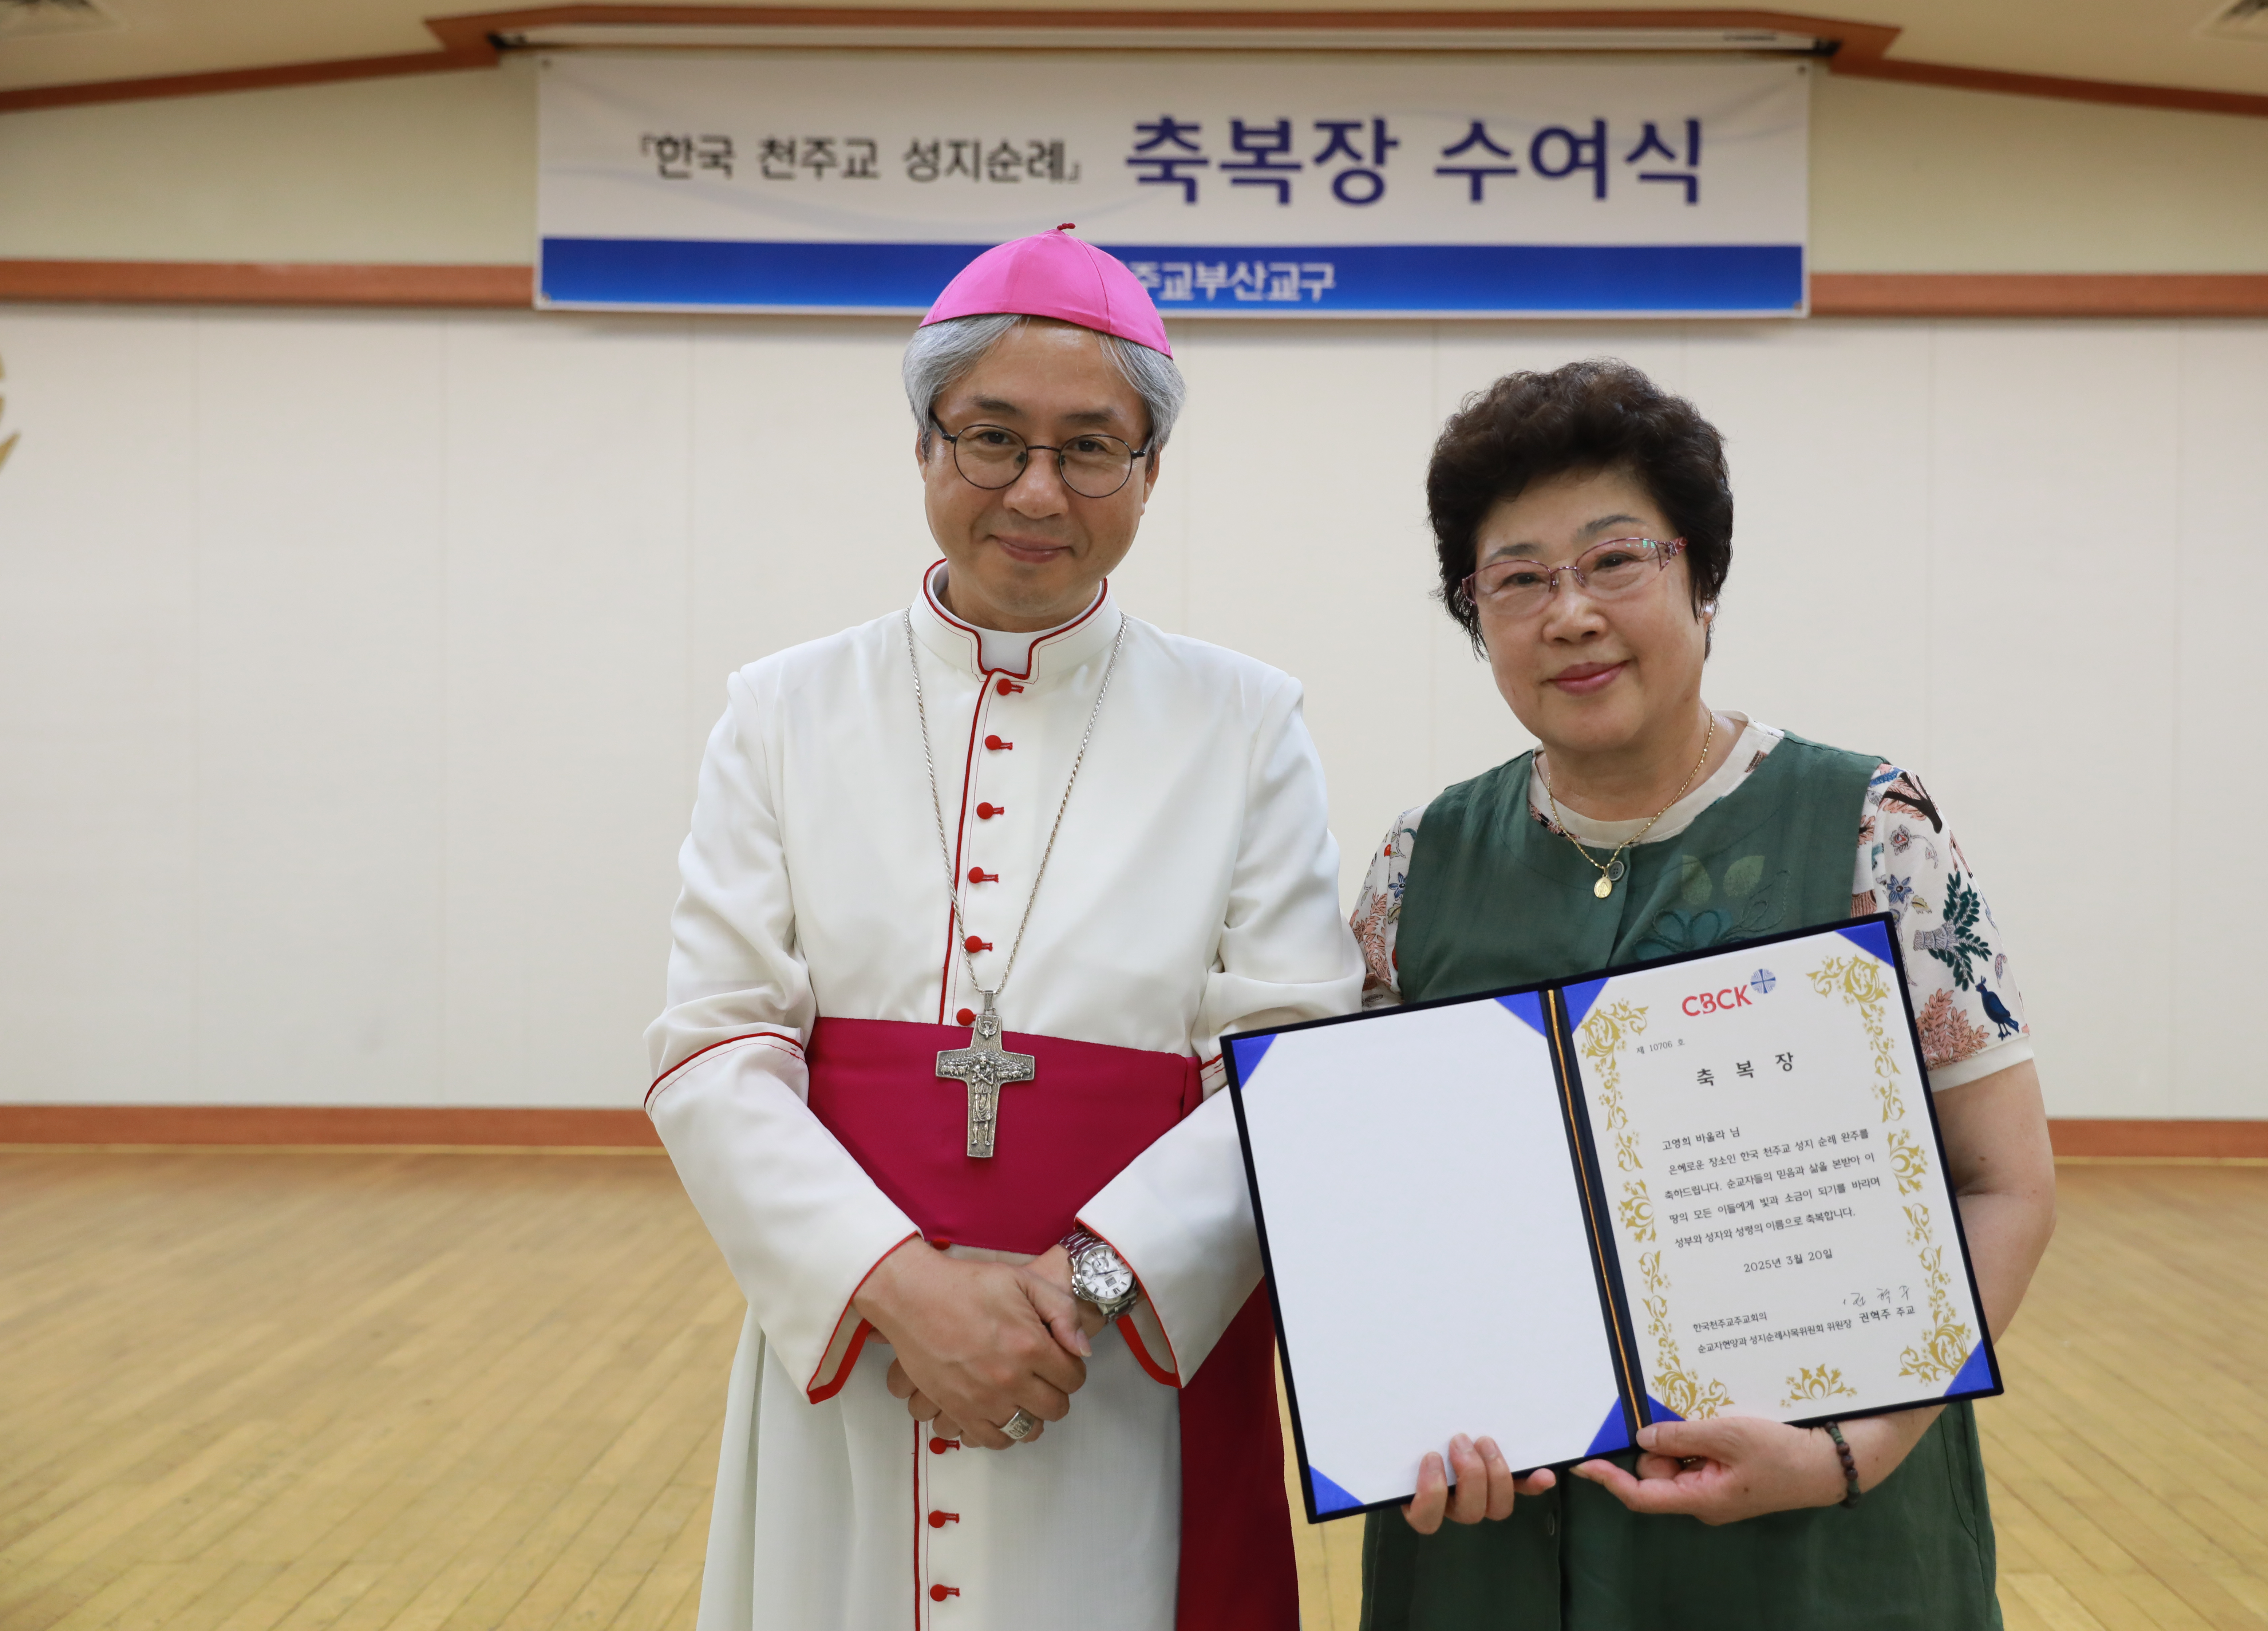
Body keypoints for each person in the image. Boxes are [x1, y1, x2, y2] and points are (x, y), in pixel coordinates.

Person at [644, 225, 1362, 1631]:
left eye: (1092, 448)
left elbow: (1291, 1057)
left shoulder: (1246, 722)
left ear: (1149, 475)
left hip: (1113, 1366)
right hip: (853, 1354)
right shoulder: (781, 712)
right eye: (994, 438)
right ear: (925, 448)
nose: (1039, 489)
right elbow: (715, 1044)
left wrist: (1078, 1289)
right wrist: (896, 1288)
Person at [1347, 360, 2057, 1628]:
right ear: (1477, 613)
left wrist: (1859, 1450)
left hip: (1812, 1531)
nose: (1570, 614)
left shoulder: (1867, 829)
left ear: (1702, 577)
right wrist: (1391, 1403)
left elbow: (2005, 1184)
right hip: (1496, 1529)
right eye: (1518, 578)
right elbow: (1377, 1210)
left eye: (1616, 560)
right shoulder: (1420, 862)